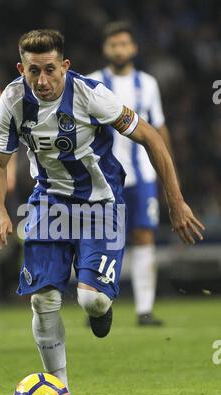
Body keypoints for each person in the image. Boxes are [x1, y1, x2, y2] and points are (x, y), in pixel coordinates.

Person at [0, 29, 204, 395]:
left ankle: (103, 305)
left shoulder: (91, 94)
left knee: (92, 303)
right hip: (49, 203)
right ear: (21, 68)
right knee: (44, 299)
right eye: (33, 71)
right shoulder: (12, 99)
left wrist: (176, 200)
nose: (42, 80)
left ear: (65, 66)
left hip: (100, 205)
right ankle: (60, 391)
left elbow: (151, 137)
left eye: (50, 70)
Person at [89, 21, 174, 326]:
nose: (120, 49)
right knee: (101, 238)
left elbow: (158, 127)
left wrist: (168, 173)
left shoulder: (148, 83)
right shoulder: (92, 82)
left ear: (134, 48)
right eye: (114, 45)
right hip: (102, 178)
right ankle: (97, 303)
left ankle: (144, 309)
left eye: (124, 44)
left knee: (143, 236)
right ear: (105, 49)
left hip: (143, 177)